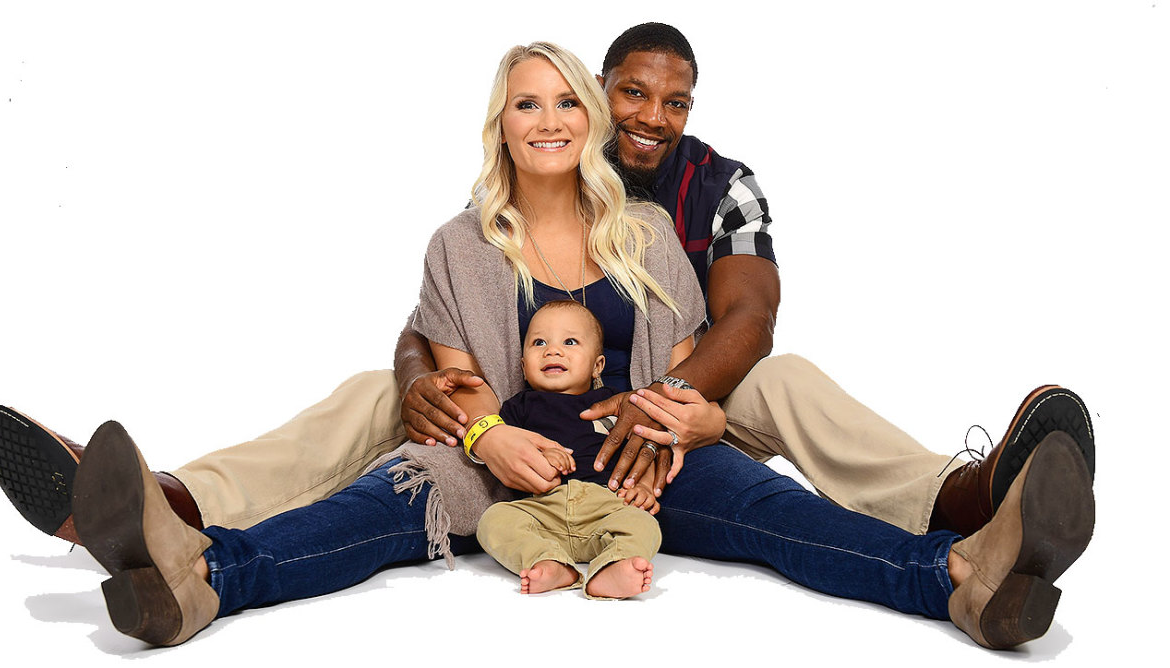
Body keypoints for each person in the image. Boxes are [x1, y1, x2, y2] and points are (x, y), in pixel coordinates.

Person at [65, 41, 1092, 650]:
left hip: (644, 461)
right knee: (372, 511)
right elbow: (443, 365)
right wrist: (487, 439)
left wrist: (689, 419)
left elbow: (706, 344)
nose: (550, 119)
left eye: (565, 102)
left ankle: (965, 571)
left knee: (780, 515)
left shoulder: (647, 231)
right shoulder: (460, 243)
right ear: (502, 125)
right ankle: (194, 573)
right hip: (498, 462)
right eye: (529, 102)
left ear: (586, 116)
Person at [476, 300, 665, 599]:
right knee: (493, 520)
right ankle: (547, 561)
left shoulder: (612, 402)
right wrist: (540, 455)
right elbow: (508, 451)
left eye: (570, 342)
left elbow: (641, 445)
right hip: (541, 508)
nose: (552, 351)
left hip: (605, 505)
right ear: (523, 366)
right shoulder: (519, 406)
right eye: (539, 343)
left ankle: (614, 566)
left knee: (644, 524)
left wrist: (642, 485)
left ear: (597, 366)